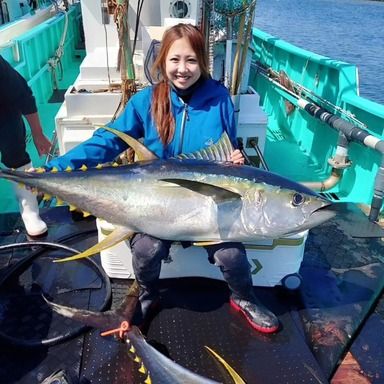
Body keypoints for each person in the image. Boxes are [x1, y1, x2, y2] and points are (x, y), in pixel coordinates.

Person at [44, 23, 279, 333]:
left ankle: (244, 297)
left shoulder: (219, 97)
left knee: (232, 255)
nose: (183, 69)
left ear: (202, 63)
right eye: (175, 60)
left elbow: (228, 144)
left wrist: (236, 158)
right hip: (158, 204)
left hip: (206, 208)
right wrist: (57, 169)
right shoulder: (146, 101)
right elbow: (108, 142)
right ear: (162, 61)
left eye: (191, 60)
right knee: (145, 250)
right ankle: (147, 293)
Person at [0, 55, 51, 237]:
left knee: (14, 152)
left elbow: (23, 95)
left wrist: (38, 134)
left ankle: (29, 209)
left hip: (3, 113)